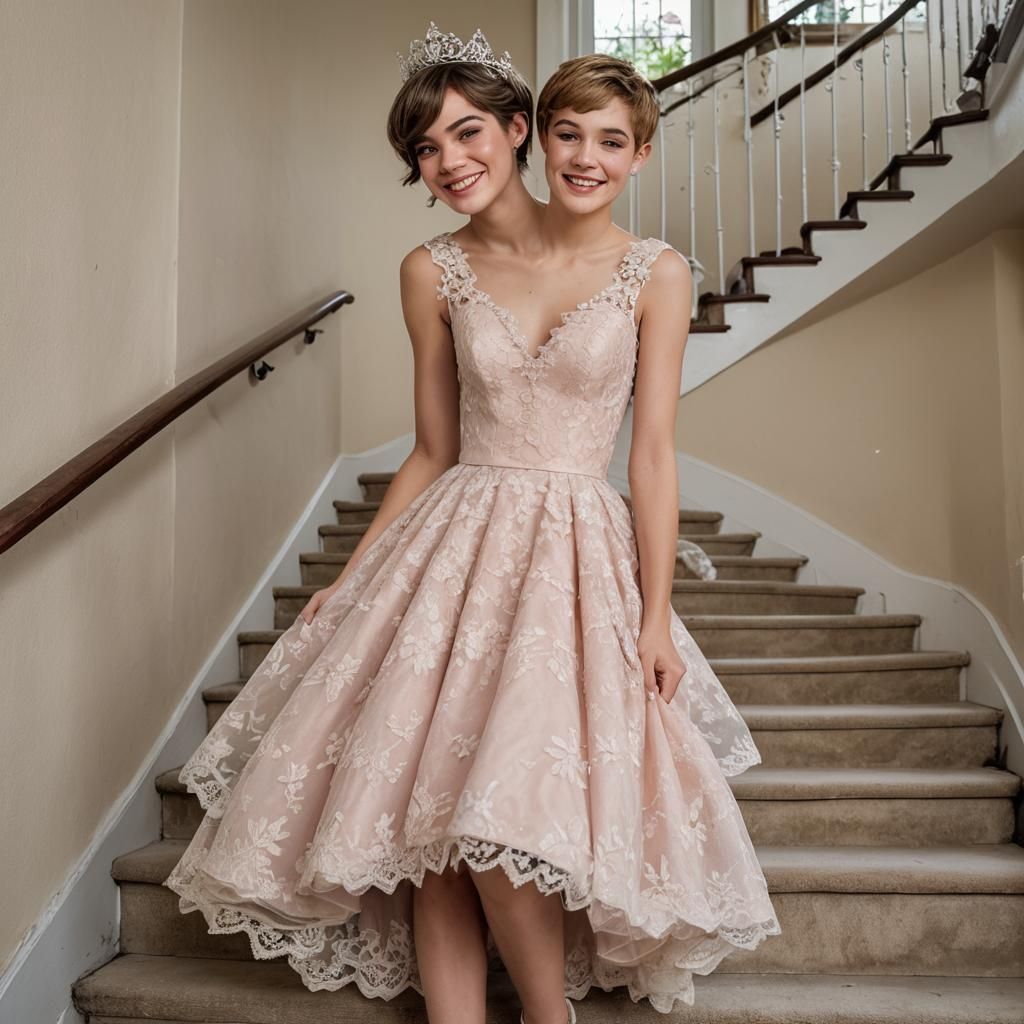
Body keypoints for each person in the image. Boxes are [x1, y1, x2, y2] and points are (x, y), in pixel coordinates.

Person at [164, 26, 780, 1024]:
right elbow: (431, 448)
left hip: (575, 555)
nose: (448, 160)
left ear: (509, 130)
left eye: (464, 133)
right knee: (431, 819)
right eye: (425, 147)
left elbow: (653, 454)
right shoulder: (430, 272)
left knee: (501, 810)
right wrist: (350, 576)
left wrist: (656, 612)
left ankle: (549, 1014)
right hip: (454, 549)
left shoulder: (654, 273)